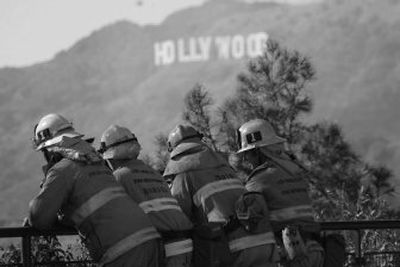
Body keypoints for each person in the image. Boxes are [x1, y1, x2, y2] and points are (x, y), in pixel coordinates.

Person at [28, 113, 162, 267]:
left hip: (124, 250)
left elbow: (38, 218)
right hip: (150, 240)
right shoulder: (97, 164)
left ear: (49, 150)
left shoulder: (62, 170)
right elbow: (86, 210)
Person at [163, 124, 278, 267]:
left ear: (172, 149)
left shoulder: (182, 173)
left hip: (232, 248)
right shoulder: (223, 164)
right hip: (265, 242)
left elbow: (177, 219)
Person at [99, 124, 194, 267]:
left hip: (163, 248)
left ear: (111, 157)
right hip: (185, 244)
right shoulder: (153, 173)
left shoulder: (118, 177)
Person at [236, 118, 324, 267]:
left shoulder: (259, 179)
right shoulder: (293, 170)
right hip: (315, 250)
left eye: (248, 153)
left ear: (258, 152)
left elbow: (244, 213)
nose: (245, 158)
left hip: (289, 254)